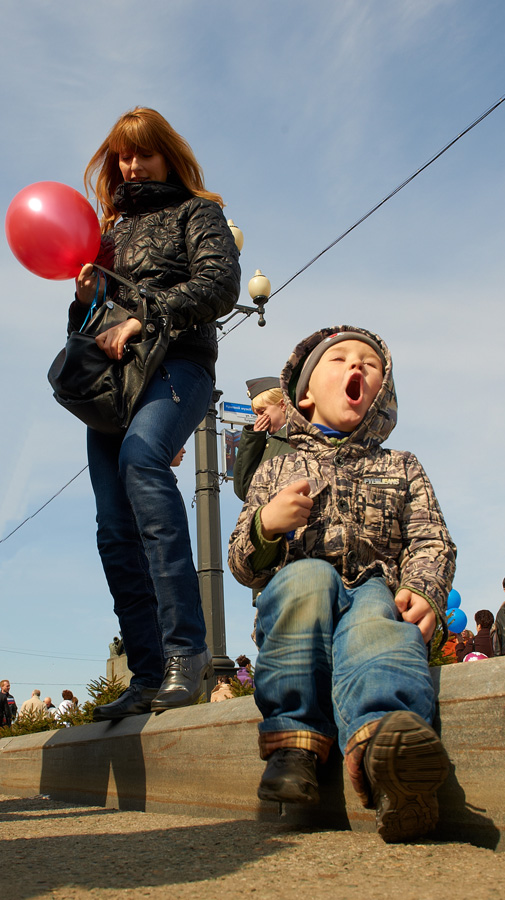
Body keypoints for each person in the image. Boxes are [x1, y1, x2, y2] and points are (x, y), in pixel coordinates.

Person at [228, 326, 457, 843]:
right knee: (305, 579)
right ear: (305, 394)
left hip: (375, 585)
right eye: (340, 359)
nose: (357, 367)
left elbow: (432, 540)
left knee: (378, 626)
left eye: (370, 365)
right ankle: (294, 744)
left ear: (382, 394)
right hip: (301, 599)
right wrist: (267, 523)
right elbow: (243, 561)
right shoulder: (278, 467)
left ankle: (389, 753)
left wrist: (423, 589)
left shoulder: (402, 466)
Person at [65, 108, 240, 721]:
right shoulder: (106, 234)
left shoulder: (198, 212)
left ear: (168, 154)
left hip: (180, 364)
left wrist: (150, 314)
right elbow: (84, 332)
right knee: (113, 525)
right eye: (122, 155)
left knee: (144, 460)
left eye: (143, 153)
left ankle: (186, 654)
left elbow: (220, 285)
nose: (132, 165)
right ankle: (144, 673)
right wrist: (85, 300)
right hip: (115, 386)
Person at [233, 377, 292, 501]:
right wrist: (253, 439)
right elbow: (245, 491)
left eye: (262, 411)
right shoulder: (265, 445)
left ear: (282, 405)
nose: (258, 419)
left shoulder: (300, 438)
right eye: (256, 414)